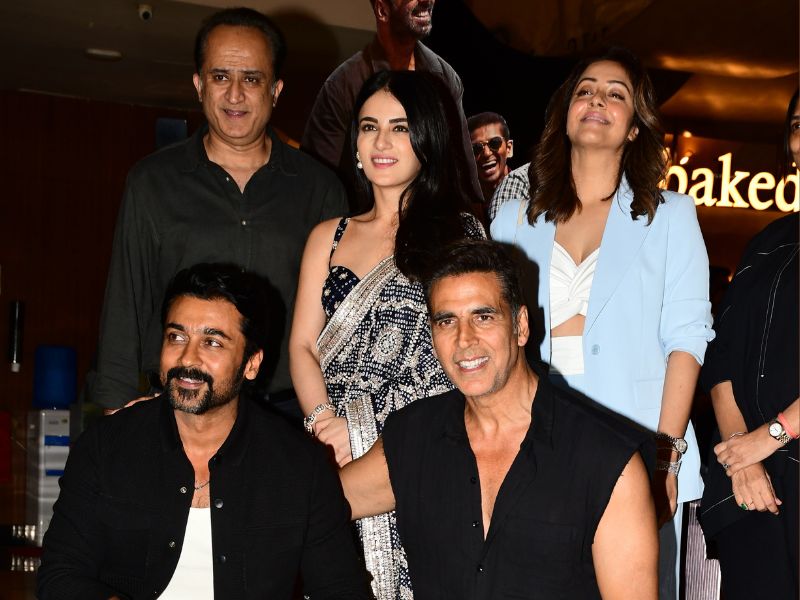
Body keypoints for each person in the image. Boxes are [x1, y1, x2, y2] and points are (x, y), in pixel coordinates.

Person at [490, 47, 714, 599]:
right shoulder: (512, 220)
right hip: (533, 447)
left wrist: (665, 458)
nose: (597, 100)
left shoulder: (671, 216)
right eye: (585, 90)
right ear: (565, 113)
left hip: (636, 448)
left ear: (635, 127)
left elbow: (687, 341)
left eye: (616, 94)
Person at [340, 239, 658, 599]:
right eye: (447, 321)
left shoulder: (606, 462)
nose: (464, 339)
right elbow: (309, 505)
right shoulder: (413, 437)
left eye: (484, 317)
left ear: (520, 326)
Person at [37, 264, 371, 600]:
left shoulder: (299, 465)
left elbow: (342, 590)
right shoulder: (106, 446)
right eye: (176, 337)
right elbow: (60, 575)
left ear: (251, 363)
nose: (188, 358)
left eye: (212, 342)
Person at [88, 8, 347, 419]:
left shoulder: (320, 189)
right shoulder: (151, 182)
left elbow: (343, 318)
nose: (235, 94)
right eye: (221, 77)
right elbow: (125, 303)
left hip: (287, 414)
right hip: (182, 406)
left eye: (252, 79)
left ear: (276, 90)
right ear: (199, 85)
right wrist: (115, 413)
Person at [290, 70, 483, 599]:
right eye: (369, 126)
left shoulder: (459, 235)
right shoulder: (327, 237)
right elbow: (302, 345)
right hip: (330, 445)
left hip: (422, 449)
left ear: (427, 139)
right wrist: (325, 422)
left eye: (400, 128)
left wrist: (377, 433)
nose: (381, 142)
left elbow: (464, 354)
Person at [698, 90, 799, 599]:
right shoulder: (767, 241)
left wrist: (773, 435)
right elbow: (720, 357)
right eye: (798, 125)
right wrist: (743, 455)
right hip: (753, 483)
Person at [301, 0, 480, 201]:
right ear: (382, 10)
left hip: (433, 213)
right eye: (369, 127)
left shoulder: (445, 77)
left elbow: (463, 172)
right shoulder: (344, 85)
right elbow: (315, 183)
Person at [468, 112, 514, 203]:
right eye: (476, 148)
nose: (486, 153)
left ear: (509, 149)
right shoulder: (465, 203)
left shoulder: (530, 192)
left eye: (495, 143)